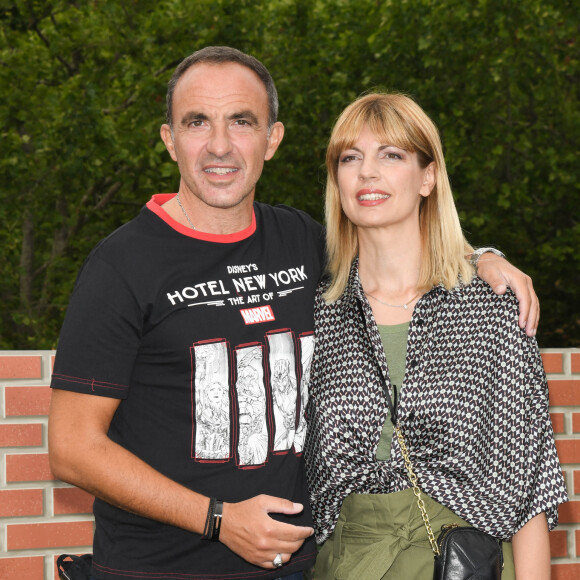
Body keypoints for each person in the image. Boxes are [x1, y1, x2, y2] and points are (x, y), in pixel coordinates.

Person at [47, 46, 540, 580]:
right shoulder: (122, 265)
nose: (219, 146)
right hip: (161, 568)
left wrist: (482, 258)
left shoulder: (300, 243)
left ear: (271, 139)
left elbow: (391, 241)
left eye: (241, 121)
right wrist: (217, 520)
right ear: (169, 140)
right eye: (196, 122)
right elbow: (72, 448)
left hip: (298, 567)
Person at [304, 92, 568, 579]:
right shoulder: (317, 311)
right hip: (352, 562)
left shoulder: (488, 304)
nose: (367, 173)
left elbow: (528, 484)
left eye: (392, 155)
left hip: (464, 560)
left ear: (427, 177)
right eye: (350, 157)